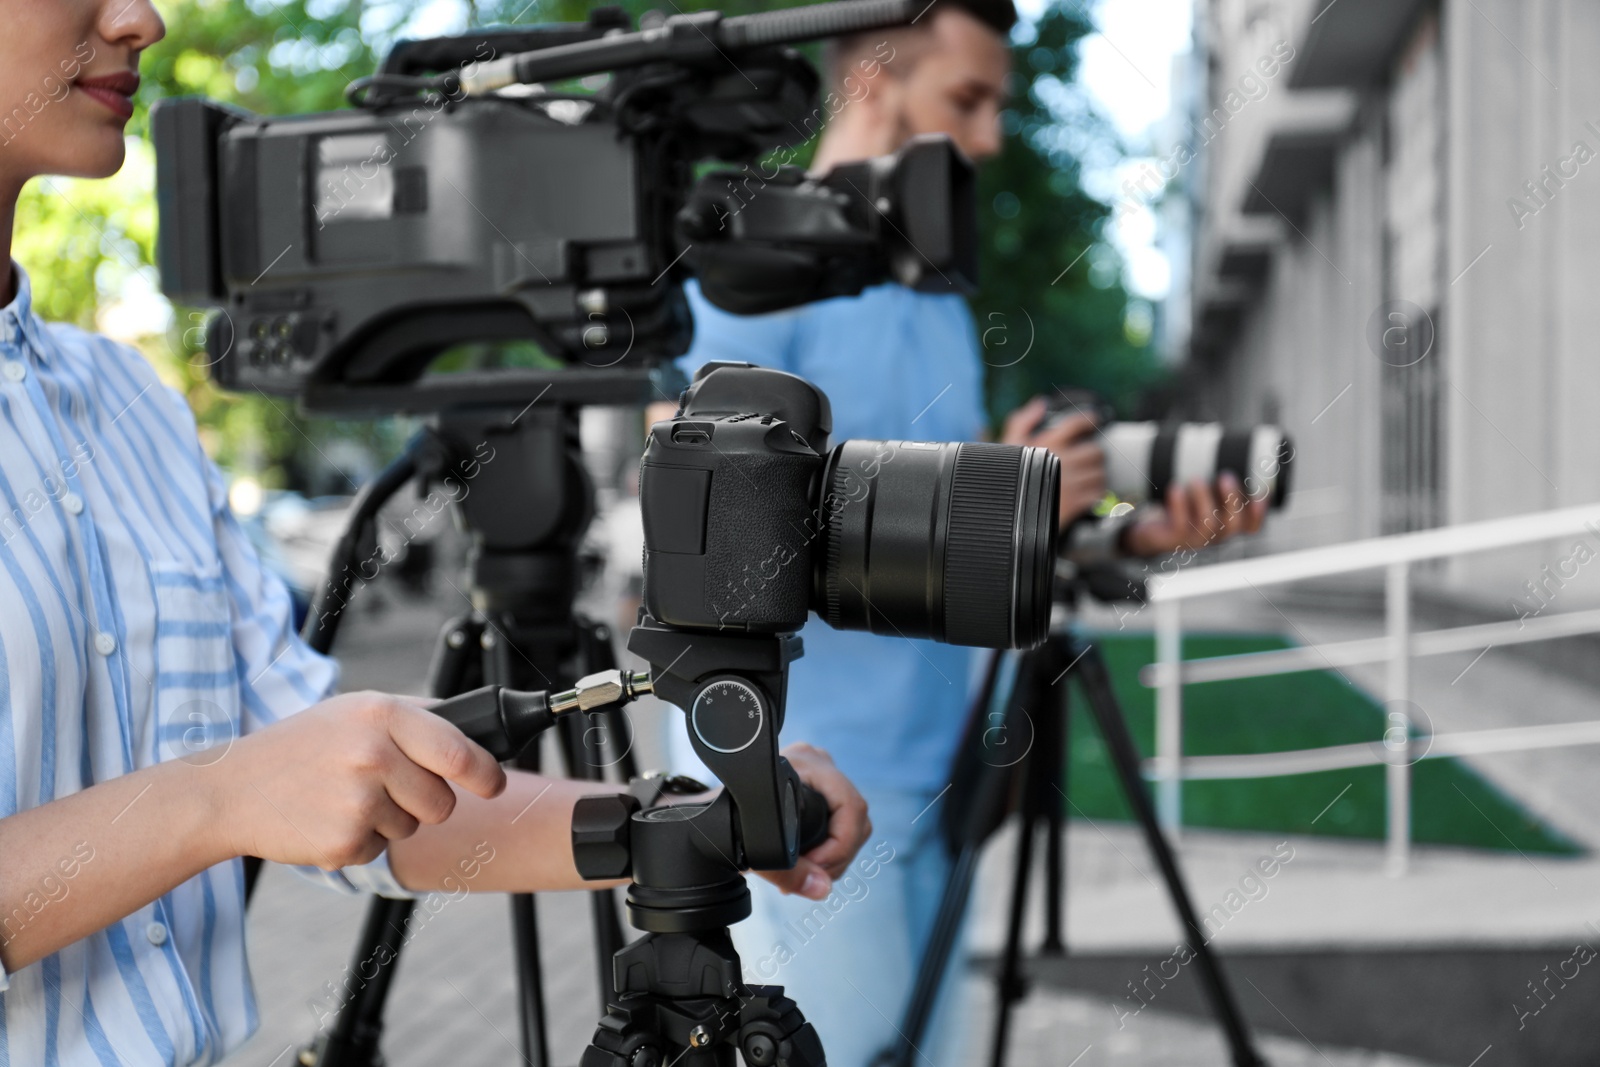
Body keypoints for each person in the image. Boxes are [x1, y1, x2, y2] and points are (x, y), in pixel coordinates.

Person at [0, 5, 872, 1065]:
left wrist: (675, 819)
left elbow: (352, 791)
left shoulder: (128, 402)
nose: (140, 17)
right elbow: (242, 788)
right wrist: (212, 798)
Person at [650, 2, 1268, 1065]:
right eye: (966, 100)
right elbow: (693, 534)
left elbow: (962, 547)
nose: (986, 138)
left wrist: (1116, 531)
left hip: (944, 767)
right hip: (808, 767)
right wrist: (996, 491)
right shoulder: (754, 274)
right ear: (878, 81)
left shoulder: (932, 296)